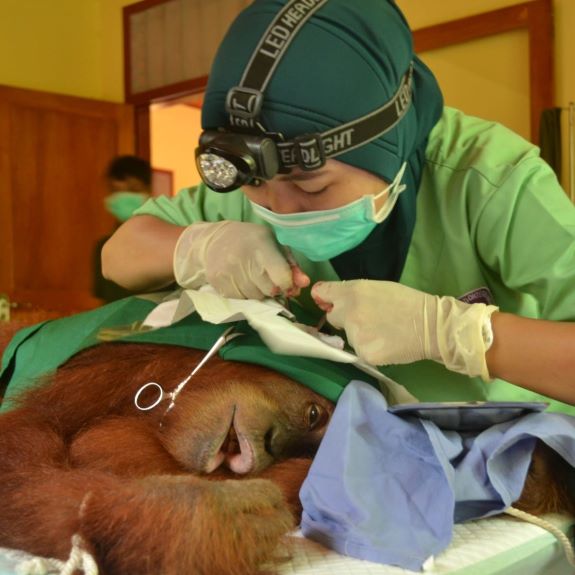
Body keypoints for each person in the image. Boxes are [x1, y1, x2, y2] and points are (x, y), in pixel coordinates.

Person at [101, 0, 575, 411]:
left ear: (387, 144)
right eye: (258, 186)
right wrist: (199, 246)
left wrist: (452, 333)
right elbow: (119, 256)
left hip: (499, 461)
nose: (281, 210)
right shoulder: (252, 195)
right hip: (324, 450)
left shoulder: (489, 180)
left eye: (312, 188)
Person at [94, 155, 152, 302]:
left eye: (132, 189)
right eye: (115, 191)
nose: (123, 196)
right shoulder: (103, 247)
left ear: (148, 189)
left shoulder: (169, 240)